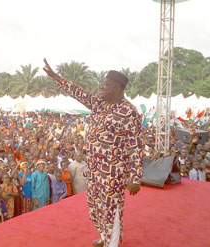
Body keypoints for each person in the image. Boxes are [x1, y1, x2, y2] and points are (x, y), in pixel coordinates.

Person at [43, 59, 144, 247]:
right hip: (95, 169)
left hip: (113, 172)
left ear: (118, 89)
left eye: (105, 85)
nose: (101, 88)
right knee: (96, 204)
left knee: (111, 208)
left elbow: (136, 145)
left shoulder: (129, 112)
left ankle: (112, 243)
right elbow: (77, 92)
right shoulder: (98, 103)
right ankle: (104, 237)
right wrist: (57, 78)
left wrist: (135, 177)